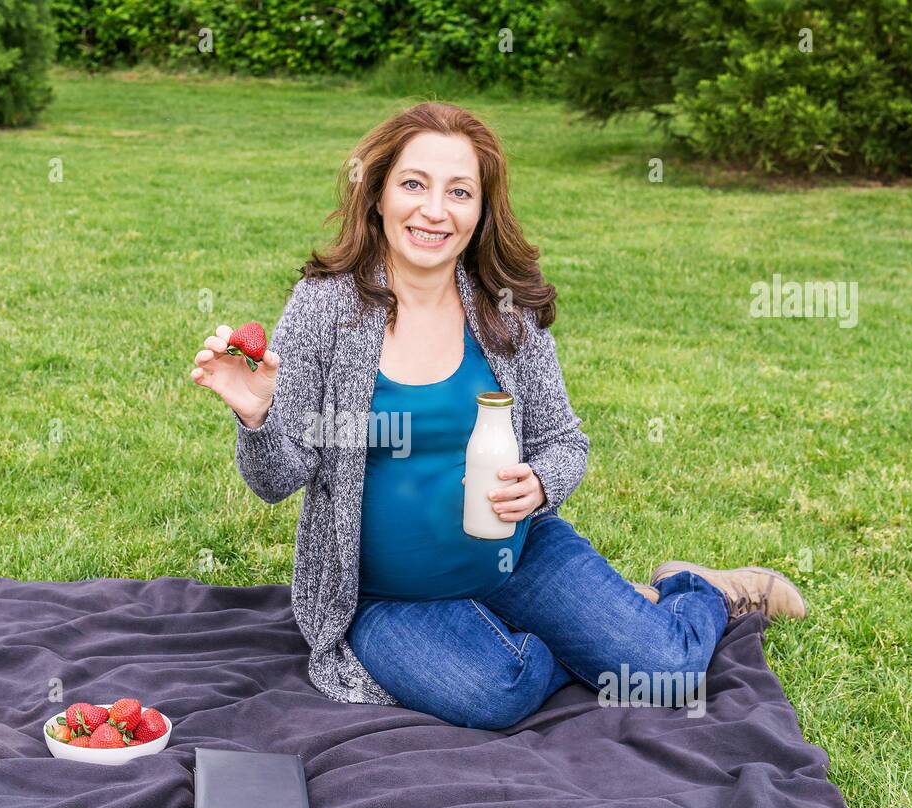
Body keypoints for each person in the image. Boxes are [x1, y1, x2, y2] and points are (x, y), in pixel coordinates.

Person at [191, 102, 805, 730]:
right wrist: (258, 413)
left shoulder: (505, 308)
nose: (434, 210)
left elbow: (563, 441)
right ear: (376, 195)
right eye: (413, 184)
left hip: (519, 557)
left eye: (459, 192)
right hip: (389, 599)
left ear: (481, 211)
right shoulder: (326, 307)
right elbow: (275, 480)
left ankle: (698, 591)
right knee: (494, 694)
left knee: (665, 673)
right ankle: (590, 626)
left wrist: (541, 483)